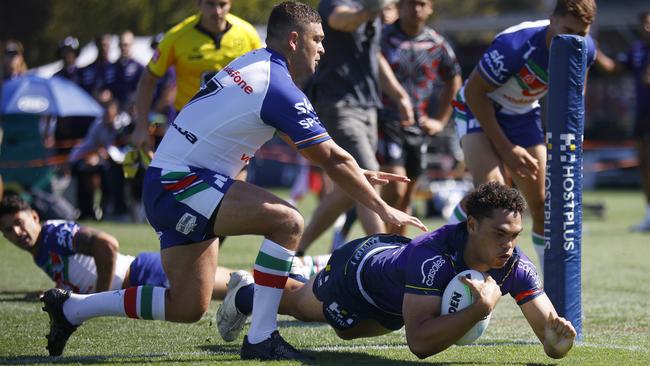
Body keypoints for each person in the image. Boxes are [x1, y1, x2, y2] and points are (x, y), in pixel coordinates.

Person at [41, 1, 426, 361]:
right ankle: (261, 337)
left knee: (188, 306)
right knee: (288, 221)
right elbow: (332, 157)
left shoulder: (258, 64)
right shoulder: (277, 84)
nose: (323, 49)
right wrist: (384, 207)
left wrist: (356, 170)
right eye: (318, 40)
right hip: (182, 183)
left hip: (170, 183)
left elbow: (311, 146)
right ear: (295, 40)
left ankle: (71, 308)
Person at [218, 182, 577, 360]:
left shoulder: (515, 264)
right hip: (358, 275)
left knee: (357, 333)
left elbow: (550, 337)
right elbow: (419, 344)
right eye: (499, 234)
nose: (508, 245)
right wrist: (480, 309)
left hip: (393, 308)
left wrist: (558, 340)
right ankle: (246, 293)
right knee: (299, 305)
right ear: (471, 225)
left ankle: (254, 289)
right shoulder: (432, 254)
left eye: (514, 236)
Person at [449, 0, 598, 271]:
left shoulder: (584, 49)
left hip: (521, 113)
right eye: (567, 31)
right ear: (552, 20)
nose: (573, 41)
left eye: (581, 34)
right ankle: (463, 261)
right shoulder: (515, 46)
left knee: (541, 203)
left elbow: (574, 99)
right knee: (494, 193)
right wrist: (507, 150)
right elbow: (474, 92)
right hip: (479, 106)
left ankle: (549, 280)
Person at [296, 0, 416, 254]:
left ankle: (296, 249)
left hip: (368, 107)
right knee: (367, 175)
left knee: (347, 188)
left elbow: (374, 56)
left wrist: (399, 95)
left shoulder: (369, 8)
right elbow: (341, 20)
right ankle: (385, 254)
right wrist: (372, 11)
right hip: (339, 104)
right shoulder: (337, 4)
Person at [0, 195, 235, 299]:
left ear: (34, 217)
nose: (17, 233)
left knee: (241, 288)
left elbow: (106, 244)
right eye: (8, 230)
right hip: (141, 279)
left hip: (145, 275)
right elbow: (79, 271)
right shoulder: (41, 247)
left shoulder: (53, 234)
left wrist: (99, 299)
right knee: (238, 286)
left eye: (19, 223)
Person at [378, 0, 462, 235]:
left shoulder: (436, 43)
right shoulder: (382, 38)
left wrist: (440, 119)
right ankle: (383, 244)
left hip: (419, 126)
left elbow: (453, 78)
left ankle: (395, 249)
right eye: (409, 4)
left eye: (421, 3)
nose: (415, 9)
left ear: (430, 8)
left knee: (407, 195)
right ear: (400, 6)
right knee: (395, 188)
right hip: (385, 120)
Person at [132, 0, 262, 150]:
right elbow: (148, 80)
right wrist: (141, 126)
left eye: (222, 4)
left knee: (234, 174)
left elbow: (262, 77)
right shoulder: (176, 37)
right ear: (198, 4)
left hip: (234, 123)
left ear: (230, 4)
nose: (217, 11)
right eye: (210, 4)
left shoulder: (248, 34)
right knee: (189, 173)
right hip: (189, 125)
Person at [594, 10, 650, 232]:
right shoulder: (637, 50)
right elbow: (614, 69)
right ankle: (648, 216)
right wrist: (593, 49)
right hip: (643, 117)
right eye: (645, 22)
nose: (648, 26)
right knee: (645, 166)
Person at [111, 30, 144, 108]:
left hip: (131, 108)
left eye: (126, 45)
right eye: (121, 45)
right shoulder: (112, 67)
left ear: (132, 45)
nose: (123, 48)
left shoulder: (139, 67)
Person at [78, 34, 116, 98]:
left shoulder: (115, 69)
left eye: (106, 45)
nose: (104, 49)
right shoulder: (87, 70)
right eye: (101, 45)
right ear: (97, 45)